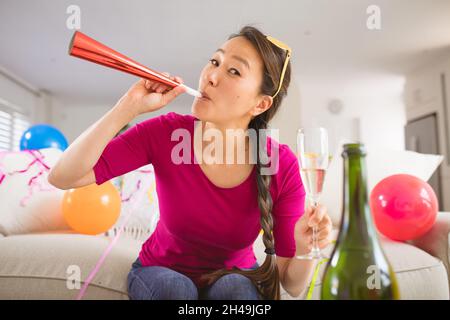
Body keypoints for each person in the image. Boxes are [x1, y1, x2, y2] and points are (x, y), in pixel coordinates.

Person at [48, 25, 332, 300]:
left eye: (233, 71)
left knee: (237, 289)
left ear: (260, 105)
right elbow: (62, 177)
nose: (211, 76)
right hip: (160, 272)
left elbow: (292, 285)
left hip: (235, 276)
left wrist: (307, 248)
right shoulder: (166, 133)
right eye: (214, 61)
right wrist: (129, 106)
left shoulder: (281, 163)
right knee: (175, 290)